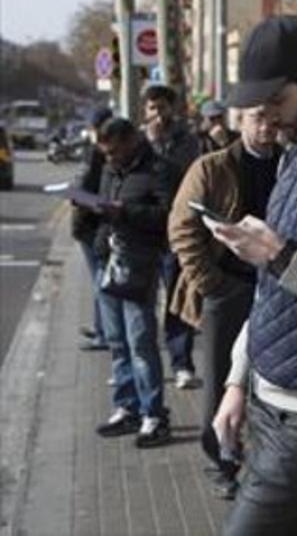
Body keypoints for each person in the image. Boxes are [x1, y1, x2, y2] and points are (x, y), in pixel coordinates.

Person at [207, 14, 297, 534]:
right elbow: (270, 290)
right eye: (258, 113)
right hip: (269, 400)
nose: (269, 125)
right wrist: (238, 381)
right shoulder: (296, 153)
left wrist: (282, 257)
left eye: (277, 107)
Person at [167, 105, 281, 498]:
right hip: (228, 289)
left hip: (276, 286)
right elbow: (182, 227)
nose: (266, 127)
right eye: (257, 118)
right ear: (240, 121)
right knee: (220, 379)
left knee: (270, 381)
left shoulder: (289, 164)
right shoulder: (212, 167)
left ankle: (263, 460)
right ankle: (223, 461)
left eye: (272, 120)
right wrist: (211, 284)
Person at [92, 117, 173, 448]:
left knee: (141, 341)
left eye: (113, 152)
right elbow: (103, 207)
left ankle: (153, 413)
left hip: (140, 263)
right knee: (116, 340)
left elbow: (168, 216)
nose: (109, 159)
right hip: (109, 261)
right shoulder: (111, 169)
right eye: (105, 153)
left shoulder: (159, 168)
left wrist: (125, 211)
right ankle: (127, 407)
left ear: (131, 141)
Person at [143, 84, 202, 389]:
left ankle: (182, 363)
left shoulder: (186, 141)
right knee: (140, 303)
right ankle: (140, 367)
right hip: (143, 232)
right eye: (152, 108)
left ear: (172, 109)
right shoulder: (138, 140)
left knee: (176, 300)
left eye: (162, 107)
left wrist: (158, 148)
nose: (157, 114)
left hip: (173, 232)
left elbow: (187, 174)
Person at [72, 106, 113, 351]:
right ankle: (101, 328)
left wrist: (78, 196)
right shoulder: (94, 152)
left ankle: (105, 332)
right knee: (98, 280)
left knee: (101, 281)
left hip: (94, 226)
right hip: (87, 225)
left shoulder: (103, 155)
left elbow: (98, 192)